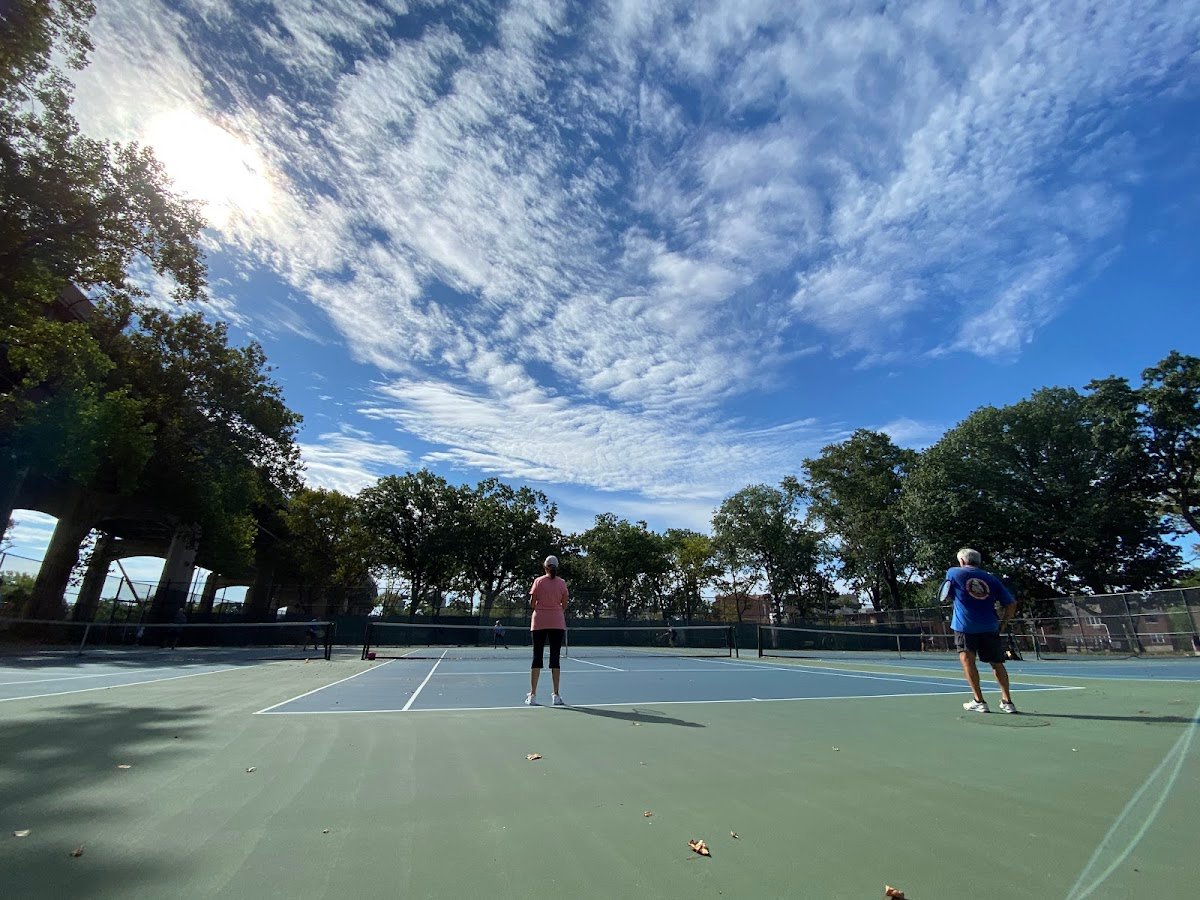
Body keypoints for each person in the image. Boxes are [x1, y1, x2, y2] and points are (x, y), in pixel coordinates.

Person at [942, 548, 1018, 713]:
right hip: (990, 627)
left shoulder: (953, 572)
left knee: (967, 661)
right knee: (997, 664)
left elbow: (946, 594)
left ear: (962, 561)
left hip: (965, 627)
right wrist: (1003, 624)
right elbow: (1011, 604)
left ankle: (979, 701)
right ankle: (1008, 702)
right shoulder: (991, 579)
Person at [526, 555, 568, 707]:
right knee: (555, 658)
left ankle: (532, 695)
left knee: (537, 657)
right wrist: (554, 609)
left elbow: (532, 604)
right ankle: (556, 695)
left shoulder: (538, 581)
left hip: (539, 622)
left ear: (545, 567)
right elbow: (564, 604)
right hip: (557, 622)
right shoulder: (562, 583)